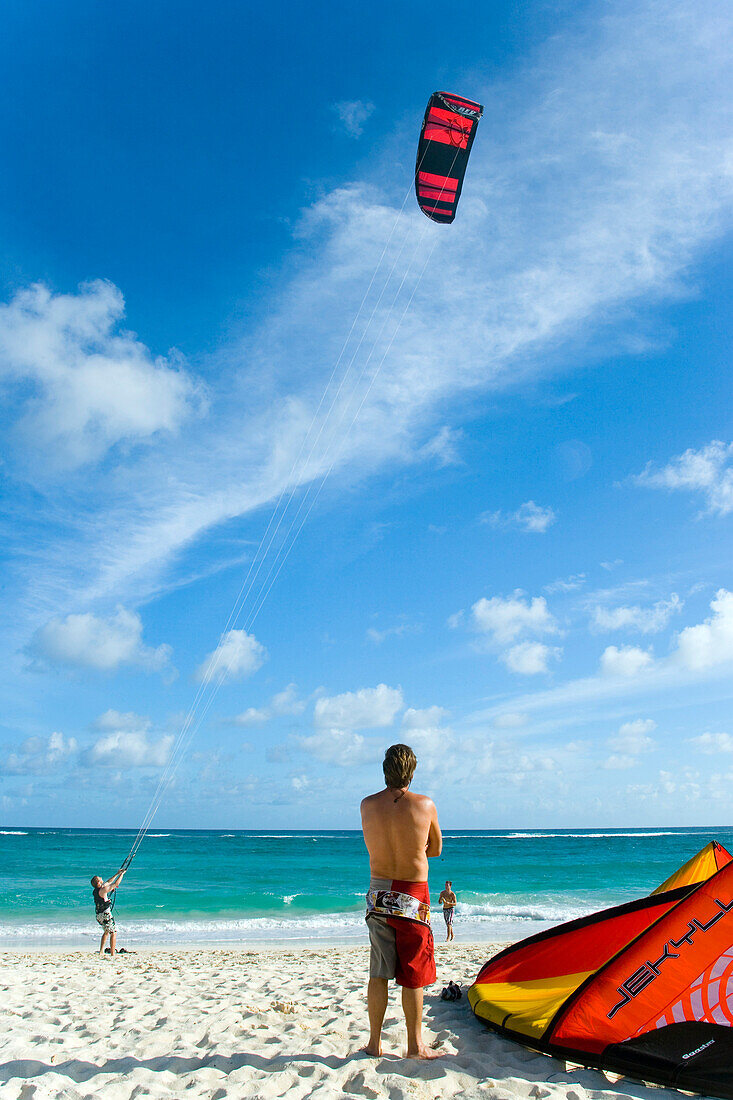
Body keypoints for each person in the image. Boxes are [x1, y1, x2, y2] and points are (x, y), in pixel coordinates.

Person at [360, 743, 444, 1059]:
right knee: (413, 971)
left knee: (379, 971)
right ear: (412, 771)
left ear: (385, 771)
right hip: (412, 893)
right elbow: (434, 849)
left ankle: (373, 1044)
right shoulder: (425, 805)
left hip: (379, 891)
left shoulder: (367, 806)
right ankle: (414, 1046)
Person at [91, 868, 126, 956]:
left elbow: (109, 882)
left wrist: (117, 873)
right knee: (113, 932)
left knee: (106, 931)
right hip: (105, 915)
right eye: (100, 878)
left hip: (99, 915)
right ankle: (113, 953)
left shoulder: (96, 890)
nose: (101, 878)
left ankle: (102, 951)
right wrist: (122, 874)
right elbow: (116, 884)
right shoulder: (103, 890)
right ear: (98, 883)